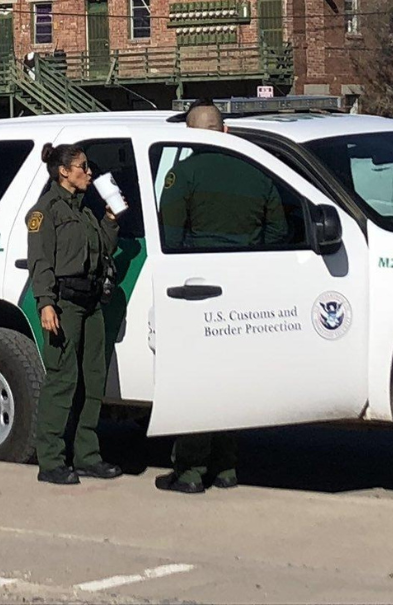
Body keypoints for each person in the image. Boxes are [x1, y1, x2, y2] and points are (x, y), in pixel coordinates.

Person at [151, 100, 287, 495]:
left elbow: (170, 235)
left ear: (190, 135)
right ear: (225, 130)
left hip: (197, 286)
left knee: (195, 385)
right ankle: (226, 467)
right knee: (231, 382)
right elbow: (277, 232)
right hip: (245, 284)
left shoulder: (183, 174)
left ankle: (191, 471)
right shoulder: (257, 170)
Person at [27, 142, 122, 485]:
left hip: (91, 301)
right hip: (64, 303)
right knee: (62, 379)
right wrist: (45, 302)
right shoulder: (46, 211)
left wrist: (110, 220)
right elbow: (40, 260)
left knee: (93, 378)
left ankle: (87, 455)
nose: (89, 172)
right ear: (63, 171)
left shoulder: (83, 211)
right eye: (82, 167)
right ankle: (51, 459)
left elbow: (101, 252)